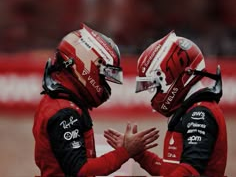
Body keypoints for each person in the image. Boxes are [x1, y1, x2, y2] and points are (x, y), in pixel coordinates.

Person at [33, 23, 159, 177]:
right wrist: (126, 151)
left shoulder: (60, 100)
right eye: (103, 76)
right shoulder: (65, 112)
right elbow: (81, 171)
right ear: (86, 65)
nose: (105, 83)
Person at [104, 31, 228, 177]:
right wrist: (137, 153)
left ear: (175, 73)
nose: (153, 92)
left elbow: (190, 171)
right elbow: (170, 170)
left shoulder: (200, 114)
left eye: (155, 84)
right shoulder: (191, 110)